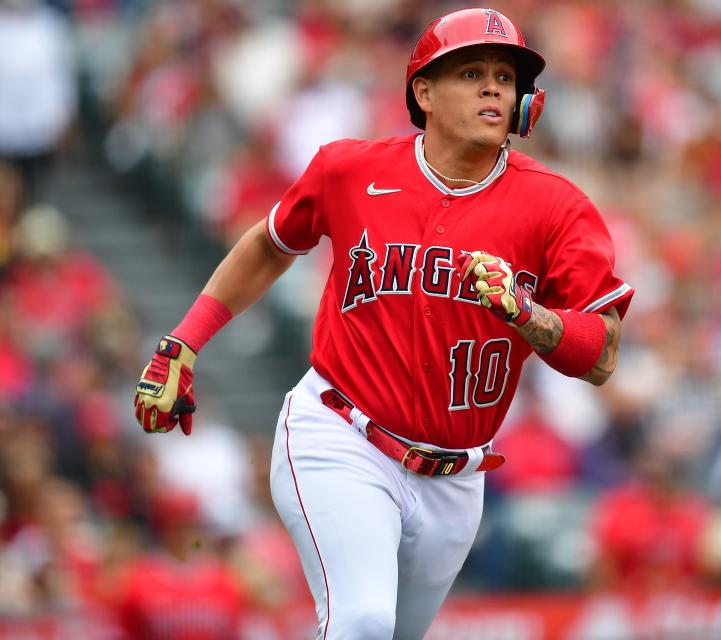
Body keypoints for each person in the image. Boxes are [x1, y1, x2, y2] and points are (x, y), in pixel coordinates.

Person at [133, 8, 633, 639]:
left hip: (457, 476)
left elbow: (602, 355)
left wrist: (528, 316)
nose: (493, 89)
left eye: (506, 78)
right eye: (472, 72)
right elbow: (270, 243)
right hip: (341, 434)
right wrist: (186, 338)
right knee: (363, 621)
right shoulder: (350, 170)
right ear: (422, 91)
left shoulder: (557, 207)